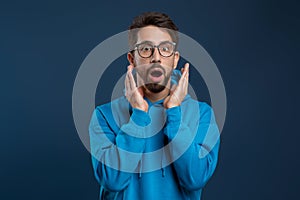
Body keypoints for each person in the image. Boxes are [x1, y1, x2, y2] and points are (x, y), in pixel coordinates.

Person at [89, 11, 220, 200]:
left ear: (175, 59)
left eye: (165, 49)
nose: (156, 58)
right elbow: (112, 181)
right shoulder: (104, 115)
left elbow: (195, 179)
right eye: (145, 49)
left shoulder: (202, 114)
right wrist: (139, 116)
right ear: (132, 59)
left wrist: (174, 112)